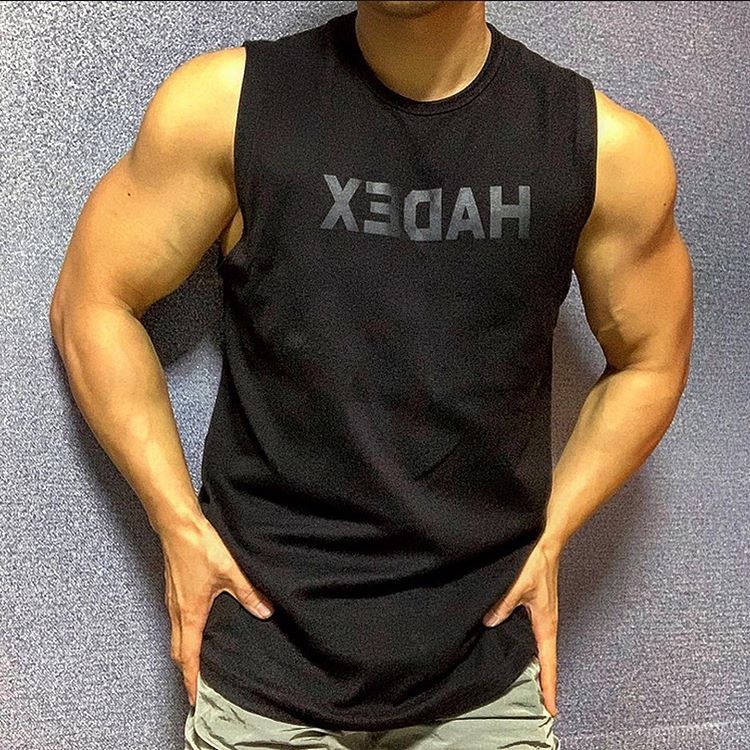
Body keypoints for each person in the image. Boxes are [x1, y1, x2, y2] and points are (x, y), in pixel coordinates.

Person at [49, 1, 693, 747]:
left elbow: (652, 360)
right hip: (265, 663)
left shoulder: (605, 151)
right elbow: (90, 303)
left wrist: (554, 537)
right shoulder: (226, 109)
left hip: (482, 676)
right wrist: (175, 523)